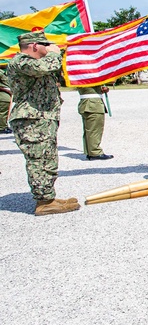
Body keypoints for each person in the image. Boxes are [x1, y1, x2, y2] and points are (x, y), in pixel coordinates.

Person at [6, 32, 79, 215]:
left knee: (48, 158)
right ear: (34, 46)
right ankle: (43, 202)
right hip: (31, 120)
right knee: (39, 160)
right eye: (45, 45)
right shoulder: (21, 61)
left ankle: (48, 197)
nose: (49, 48)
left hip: (42, 118)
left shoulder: (38, 64)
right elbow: (45, 67)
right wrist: (54, 53)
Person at [77, 85, 113, 160]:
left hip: (87, 103)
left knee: (89, 130)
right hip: (93, 104)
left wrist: (101, 89)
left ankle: (89, 151)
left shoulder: (82, 78)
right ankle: (95, 152)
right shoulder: (90, 77)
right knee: (95, 130)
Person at [0, 62, 11, 133]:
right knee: (3, 112)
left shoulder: (6, 71)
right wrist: (6, 90)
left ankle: (4, 126)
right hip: (3, 95)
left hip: (8, 96)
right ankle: (2, 127)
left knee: (6, 111)